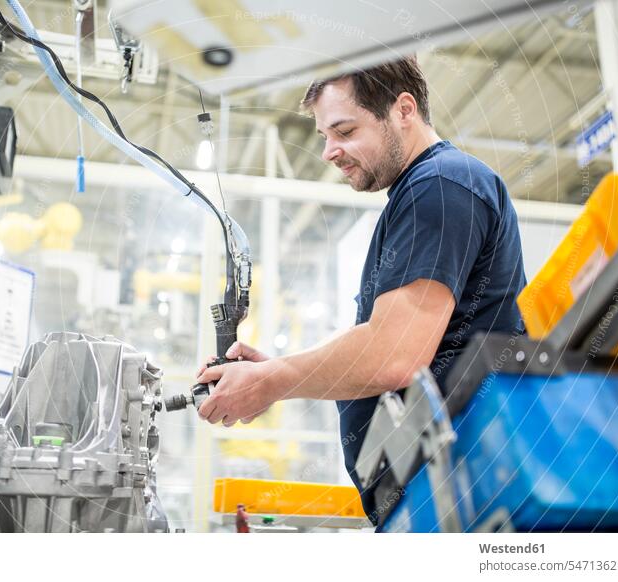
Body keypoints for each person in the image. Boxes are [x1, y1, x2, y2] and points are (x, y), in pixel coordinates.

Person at [195, 56, 527, 516]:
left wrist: (274, 381)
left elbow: (395, 356)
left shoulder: (443, 185)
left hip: (464, 483)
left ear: (404, 110)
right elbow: (388, 348)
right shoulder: (422, 192)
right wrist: (280, 371)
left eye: (345, 131)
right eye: (325, 136)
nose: (329, 150)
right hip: (440, 483)